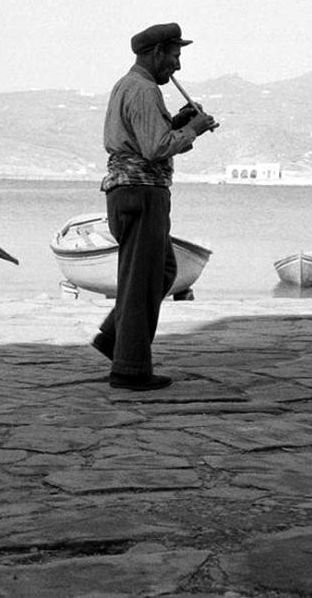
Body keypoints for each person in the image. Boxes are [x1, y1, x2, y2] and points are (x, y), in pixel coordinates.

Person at [91, 22, 217, 391]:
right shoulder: (144, 90)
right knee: (142, 279)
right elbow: (155, 148)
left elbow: (146, 135)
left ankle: (114, 338)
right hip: (141, 192)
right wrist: (193, 129)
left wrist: (179, 121)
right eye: (175, 56)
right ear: (157, 52)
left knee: (161, 270)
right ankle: (130, 369)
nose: (177, 66)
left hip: (132, 192)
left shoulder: (128, 86)